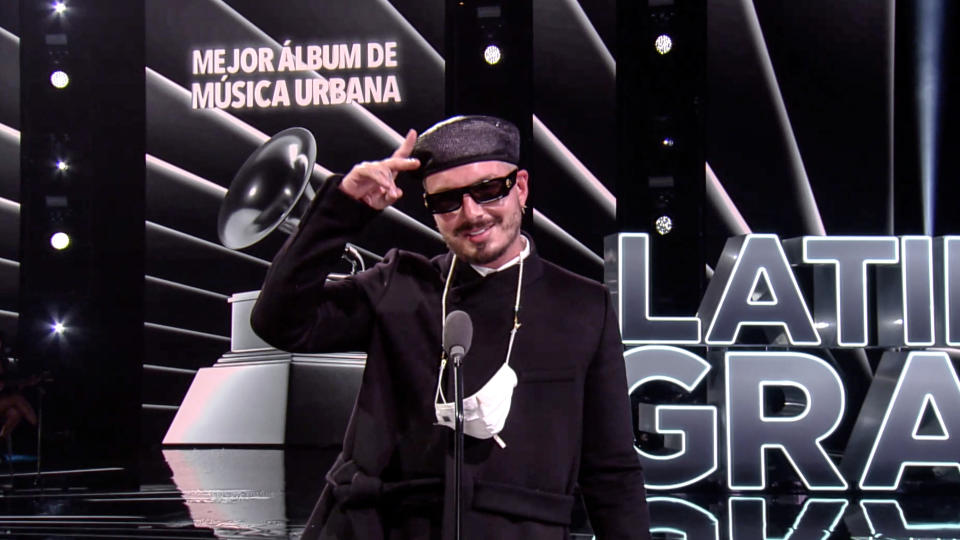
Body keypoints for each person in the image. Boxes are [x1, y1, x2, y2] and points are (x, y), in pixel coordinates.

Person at [251, 116, 651, 540]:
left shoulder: (583, 305)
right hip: (381, 527)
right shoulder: (401, 283)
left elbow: (611, 471)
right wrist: (343, 209)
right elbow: (279, 323)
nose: (471, 214)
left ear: (521, 188)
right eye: (447, 201)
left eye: (488, 190)